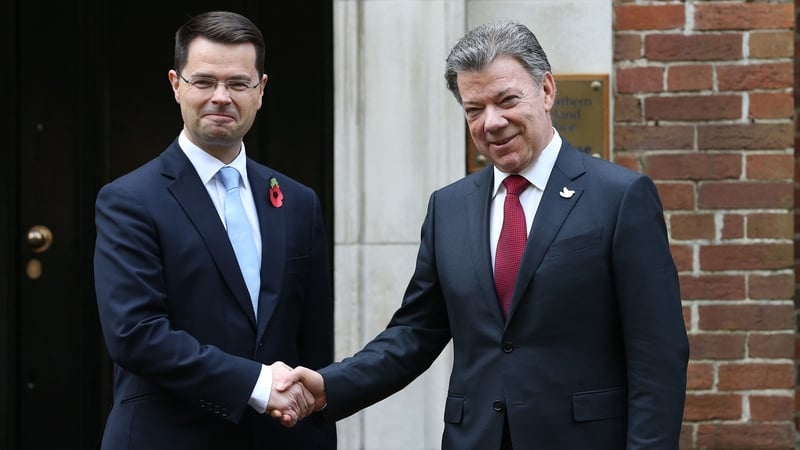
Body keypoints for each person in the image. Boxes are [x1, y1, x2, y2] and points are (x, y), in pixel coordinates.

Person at [274, 20, 689, 450]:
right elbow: (415, 333)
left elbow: (658, 355)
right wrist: (329, 385)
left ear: (547, 90)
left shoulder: (620, 198)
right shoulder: (449, 208)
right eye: (474, 109)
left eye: (507, 100)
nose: (492, 122)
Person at [93, 10, 335, 450]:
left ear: (261, 91)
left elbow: (313, 343)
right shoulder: (128, 200)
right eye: (204, 81)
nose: (221, 97)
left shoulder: (299, 202)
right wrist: (257, 384)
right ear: (175, 85)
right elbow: (135, 334)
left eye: (238, 84)